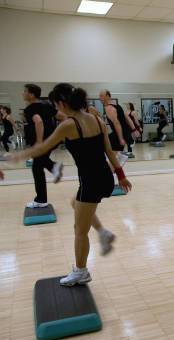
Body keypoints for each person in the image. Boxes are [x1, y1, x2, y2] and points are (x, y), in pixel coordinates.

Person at [9, 83, 132, 285]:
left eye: (56, 104)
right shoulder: (96, 119)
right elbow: (110, 151)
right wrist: (121, 176)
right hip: (104, 178)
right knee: (75, 203)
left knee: (79, 231)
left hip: (90, 182)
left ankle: (81, 271)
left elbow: (43, 147)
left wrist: (18, 156)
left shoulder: (68, 125)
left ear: (62, 103)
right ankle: (103, 233)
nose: (55, 108)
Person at [23, 84, 63, 208]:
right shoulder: (46, 105)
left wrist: (39, 141)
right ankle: (54, 167)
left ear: (31, 94)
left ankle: (41, 200)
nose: (23, 94)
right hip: (52, 139)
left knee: (36, 167)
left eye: (25, 91)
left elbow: (38, 121)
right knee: (39, 165)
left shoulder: (30, 108)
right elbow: (61, 116)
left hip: (43, 142)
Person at [99, 89, 135, 165]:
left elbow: (116, 123)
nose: (100, 98)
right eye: (99, 96)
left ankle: (116, 171)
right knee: (115, 157)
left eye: (101, 96)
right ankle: (118, 170)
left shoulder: (109, 108)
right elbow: (127, 118)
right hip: (123, 133)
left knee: (113, 158)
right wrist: (134, 129)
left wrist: (121, 138)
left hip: (118, 134)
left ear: (108, 96)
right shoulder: (117, 105)